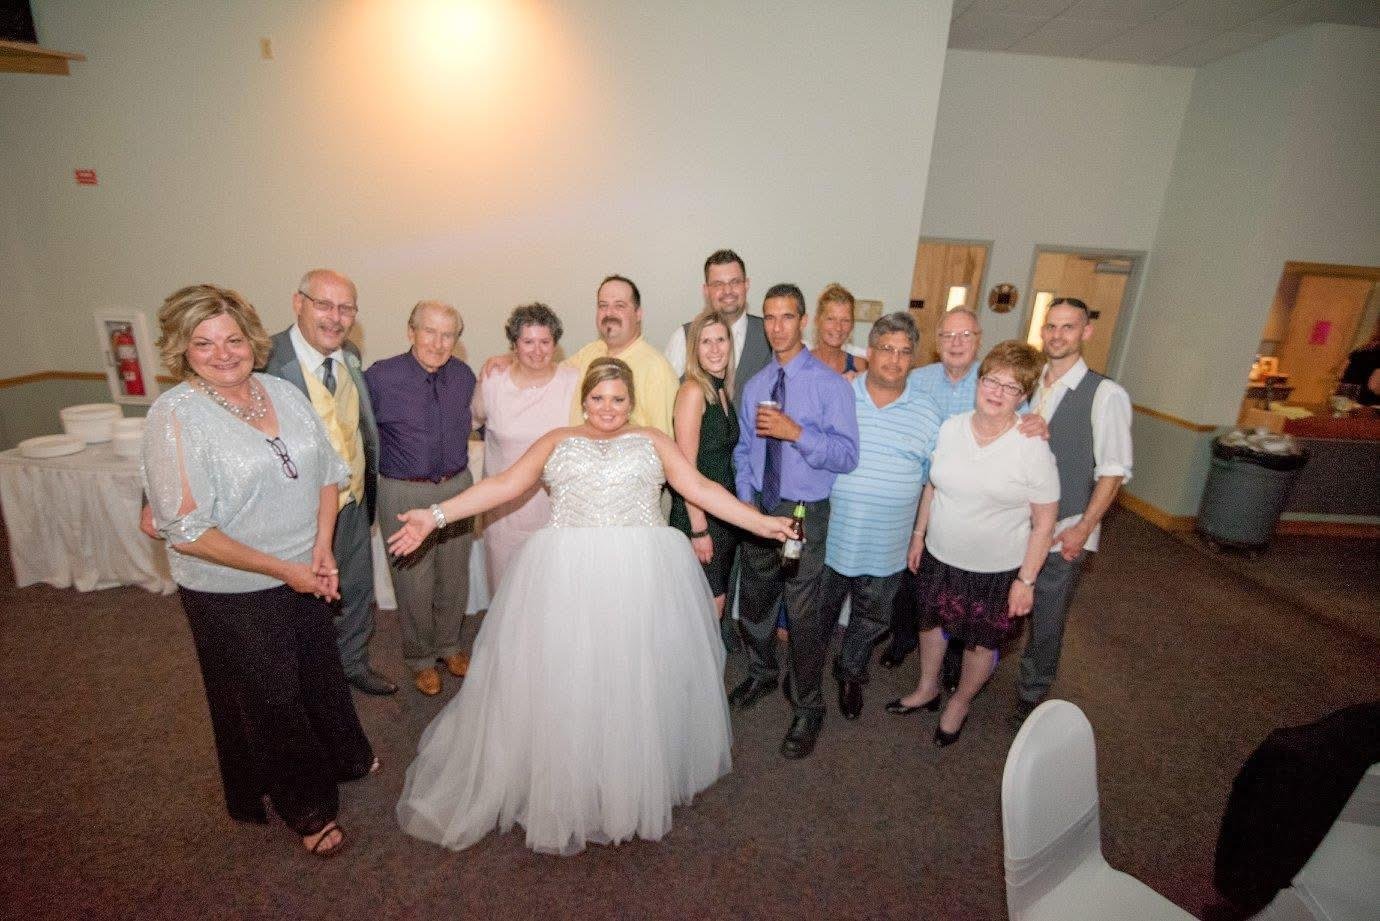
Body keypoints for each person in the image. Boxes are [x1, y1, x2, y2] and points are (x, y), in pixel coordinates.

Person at [389, 358, 793, 855]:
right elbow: (503, 485)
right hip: (568, 579)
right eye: (599, 398)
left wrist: (762, 523)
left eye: (618, 399)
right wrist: (436, 515)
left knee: (631, 678)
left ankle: (628, 779)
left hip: (640, 577)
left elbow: (702, 488)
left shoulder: (653, 440)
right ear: (584, 400)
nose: (607, 408)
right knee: (573, 677)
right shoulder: (556, 441)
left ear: (631, 402)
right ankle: (571, 780)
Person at [143, 284, 375, 858]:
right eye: (203, 343)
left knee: (319, 673)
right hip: (233, 589)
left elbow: (329, 472)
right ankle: (306, 806)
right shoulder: (174, 415)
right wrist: (282, 569)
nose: (223, 354)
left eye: (233, 339)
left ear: (252, 339)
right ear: (182, 349)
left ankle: (342, 755)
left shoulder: (282, 391)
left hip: (306, 568)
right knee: (271, 697)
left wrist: (321, 548)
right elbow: (186, 530)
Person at [893, 340, 1059, 747]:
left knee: (982, 642)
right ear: (978, 382)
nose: (997, 392)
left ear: (1023, 396)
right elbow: (932, 486)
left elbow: (1044, 523)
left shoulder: (1032, 446)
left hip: (996, 570)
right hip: (940, 556)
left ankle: (961, 702)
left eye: (1011, 387)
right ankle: (928, 686)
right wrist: (918, 535)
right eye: (991, 381)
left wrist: (1026, 580)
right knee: (931, 624)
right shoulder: (951, 428)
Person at [731, 283, 859, 760]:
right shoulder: (756, 385)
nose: (778, 326)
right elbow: (744, 450)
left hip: (804, 513)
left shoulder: (829, 384)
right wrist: (746, 501)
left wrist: (796, 433)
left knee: (804, 616)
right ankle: (762, 672)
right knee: (756, 602)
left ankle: (808, 705)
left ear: (803, 321)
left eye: (787, 316)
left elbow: (847, 456)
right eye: (770, 317)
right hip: (759, 509)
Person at [262, 269, 396, 696]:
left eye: (346, 308)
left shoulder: (350, 354)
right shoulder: (263, 359)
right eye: (324, 305)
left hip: (351, 501)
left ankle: (352, 663)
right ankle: (310, 682)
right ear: (298, 303)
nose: (336, 318)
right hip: (296, 511)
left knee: (355, 589)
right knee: (302, 601)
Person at [1014, 298, 1132, 722]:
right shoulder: (1030, 384)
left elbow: (1113, 472)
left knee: (1047, 616)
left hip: (1065, 527)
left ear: (1086, 332)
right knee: (1009, 600)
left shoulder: (1106, 394)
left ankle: (1032, 693)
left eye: (1068, 327)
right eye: (1051, 326)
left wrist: (1084, 527)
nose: (1057, 335)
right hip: (1018, 522)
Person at [819, 313, 941, 721]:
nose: (894, 359)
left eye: (904, 352)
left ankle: (850, 671)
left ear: (913, 358)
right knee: (819, 613)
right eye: (886, 349)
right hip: (831, 536)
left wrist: (919, 535)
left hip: (888, 543)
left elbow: (931, 482)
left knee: (872, 617)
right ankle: (807, 673)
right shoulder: (840, 395)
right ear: (869, 352)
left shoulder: (927, 412)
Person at [364, 301, 477, 697]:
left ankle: (449, 645)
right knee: (412, 580)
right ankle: (420, 658)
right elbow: (357, 433)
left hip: (457, 488)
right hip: (404, 490)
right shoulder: (380, 377)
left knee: (454, 576)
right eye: (429, 331)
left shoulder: (463, 376)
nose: (438, 342)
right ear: (410, 331)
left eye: (448, 335)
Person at [879, 307, 981, 670]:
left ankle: (954, 656)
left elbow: (1021, 424)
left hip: (968, 502)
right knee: (911, 572)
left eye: (965, 335)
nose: (956, 343)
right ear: (937, 343)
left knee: (960, 581)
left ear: (978, 340)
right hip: (919, 493)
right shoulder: (917, 379)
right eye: (948, 335)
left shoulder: (992, 383)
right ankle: (902, 638)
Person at [482, 275, 679, 436]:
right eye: (603, 305)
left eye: (619, 306)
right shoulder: (591, 351)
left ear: (638, 314)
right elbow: (545, 368)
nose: (609, 312)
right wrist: (513, 357)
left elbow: (663, 442)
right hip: (576, 465)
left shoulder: (656, 368)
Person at [471, 302, 579, 589]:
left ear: (555, 344)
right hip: (504, 514)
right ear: (514, 344)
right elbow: (471, 421)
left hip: (555, 512)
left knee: (552, 590)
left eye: (545, 341)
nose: (537, 350)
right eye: (528, 342)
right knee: (506, 591)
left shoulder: (573, 381)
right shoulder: (493, 381)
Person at [670, 311, 742, 619]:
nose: (714, 349)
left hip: (721, 513)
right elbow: (685, 470)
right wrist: (699, 531)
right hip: (698, 517)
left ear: (730, 344)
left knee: (712, 606)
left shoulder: (722, 390)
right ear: (694, 350)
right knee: (705, 609)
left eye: (720, 340)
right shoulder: (693, 391)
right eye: (705, 342)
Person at [663, 249, 772, 402]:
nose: (727, 291)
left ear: (747, 285)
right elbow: (665, 401)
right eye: (718, 284)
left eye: (735, 282)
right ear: (706, 291)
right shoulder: (683, 337)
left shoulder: (771, 333)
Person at [810, 283, 868, 378]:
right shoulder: (799, 364)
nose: (838, 327)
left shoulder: (861, 367)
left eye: (845, 320)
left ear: (852, 324)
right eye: (831, 319)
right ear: (817, 320)